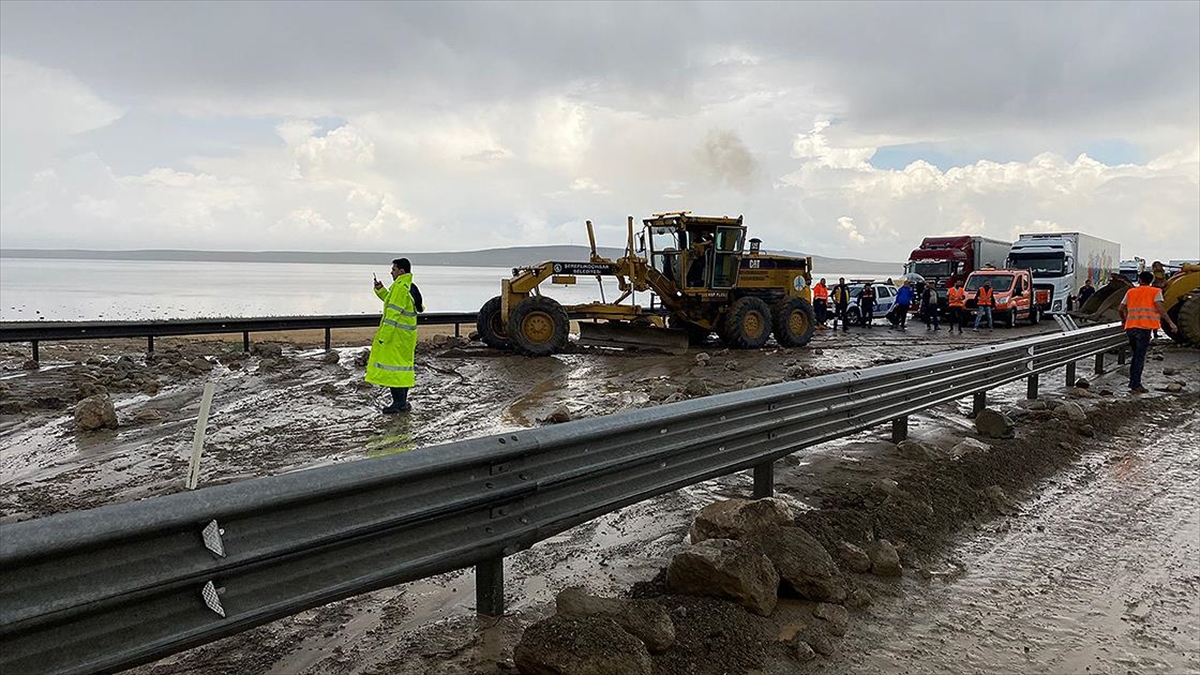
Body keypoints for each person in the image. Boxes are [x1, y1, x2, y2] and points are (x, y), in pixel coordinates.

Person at [367, 258, 423, 414]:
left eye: (393, 269)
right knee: (402, 370)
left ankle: (398, 403)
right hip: (406, 337)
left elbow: (393, 314)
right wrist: (381, 290)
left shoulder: (400, 288)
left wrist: (383, 337)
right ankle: (402, 402)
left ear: (401, 271)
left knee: (395, 371)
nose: (391, 272)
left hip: (396, 337)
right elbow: (394, 302)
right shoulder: (408, 286)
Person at [1119, 270, 1177, 394]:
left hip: (1130, 328)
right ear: (1151, 281)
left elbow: (1121, 308)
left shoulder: (1131, 291)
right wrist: (1171, 323)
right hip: (1144, 329)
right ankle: (1136, 384)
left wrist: (1124, 319)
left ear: (1139, 280)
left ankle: (1133, 382)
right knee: (1139, 357)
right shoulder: (1155, 292)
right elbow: (1160, 308)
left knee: (1136, 356)